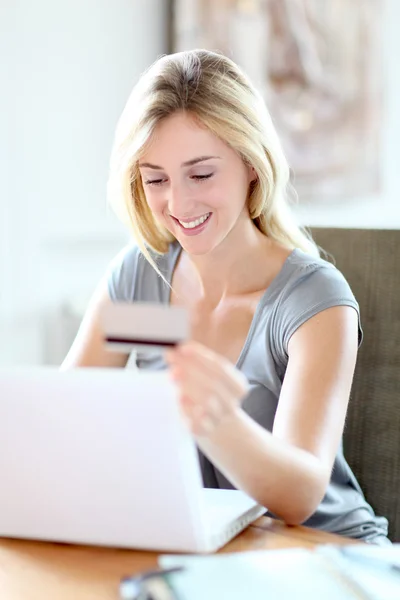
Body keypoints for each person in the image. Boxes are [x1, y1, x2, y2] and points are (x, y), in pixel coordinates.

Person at [62, 49, 389, 544]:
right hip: (212, 555)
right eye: (156, 179)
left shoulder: (312, 302)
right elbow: (63, 419)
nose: (179, 203)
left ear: (251, 165)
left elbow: (300, 493)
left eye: (201, 174)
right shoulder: (144, 280)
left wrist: (218, 421)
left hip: (329, 552)